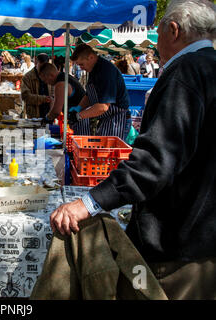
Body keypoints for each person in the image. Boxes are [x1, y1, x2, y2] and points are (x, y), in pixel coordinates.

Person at [50, 0, 216, 300]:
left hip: (176, 246)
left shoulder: (185, 73)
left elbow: (154, 161)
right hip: (203, 240)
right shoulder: (210, 67)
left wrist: (88, 203)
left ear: (174, 30)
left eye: (160, 30)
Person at [68, 43, 131, 140]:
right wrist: (79, 108)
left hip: (117, 121)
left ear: (91, 57)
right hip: (106, 119)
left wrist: (79, 116)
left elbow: (103, 107)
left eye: (81, 64)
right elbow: (90, 95)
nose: (81, 68)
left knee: (108, 153)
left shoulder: (106, 72)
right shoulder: (93, 70)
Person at [38, 63, 86, 134]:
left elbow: (56, 111)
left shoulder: (60, 84)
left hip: (80, 119)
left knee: (78, 143)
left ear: (51, 75)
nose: (47, 83)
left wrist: (46, 118)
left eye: (45, 80)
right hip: (78, 117)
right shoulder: (65, 77)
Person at [21, 53, 53, 118]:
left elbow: (54, 91)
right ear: (36, 63)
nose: (44, 69)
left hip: (48, 113)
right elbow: (25, 96)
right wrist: (43, 99)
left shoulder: (50, 76)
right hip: (34, 114)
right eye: (42, 67)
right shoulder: (27, 77)